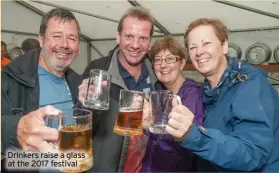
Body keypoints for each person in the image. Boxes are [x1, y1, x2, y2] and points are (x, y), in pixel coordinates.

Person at [166, 18, 279, 172]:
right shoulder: (210, 89)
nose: (199, 52)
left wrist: (193, 134)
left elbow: (252, 153)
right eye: (193, 47)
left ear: (224, 46)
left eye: (206, 43)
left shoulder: (250, 85)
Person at [78, 6, 162, 172]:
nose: (135, 45)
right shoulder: (99, 70)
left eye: (143, 38)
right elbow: (81, 127)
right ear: (118, 36)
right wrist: (84, 106)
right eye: (129, 36)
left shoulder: (158, 75)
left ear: (150, 41)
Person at [1, 7, 82, 172]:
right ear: (41, 39)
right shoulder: (10, 78)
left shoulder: (77, 83)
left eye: (72, 38)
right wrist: (14, 128)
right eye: (57, 36)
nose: (65, 44)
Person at [139, 37, 204, 172]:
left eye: (170, 59)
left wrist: (150, 127)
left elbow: (190, 140)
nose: (163, 65)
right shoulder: (158, 93)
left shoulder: (192, 94)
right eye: (157, 60)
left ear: (181, 63)